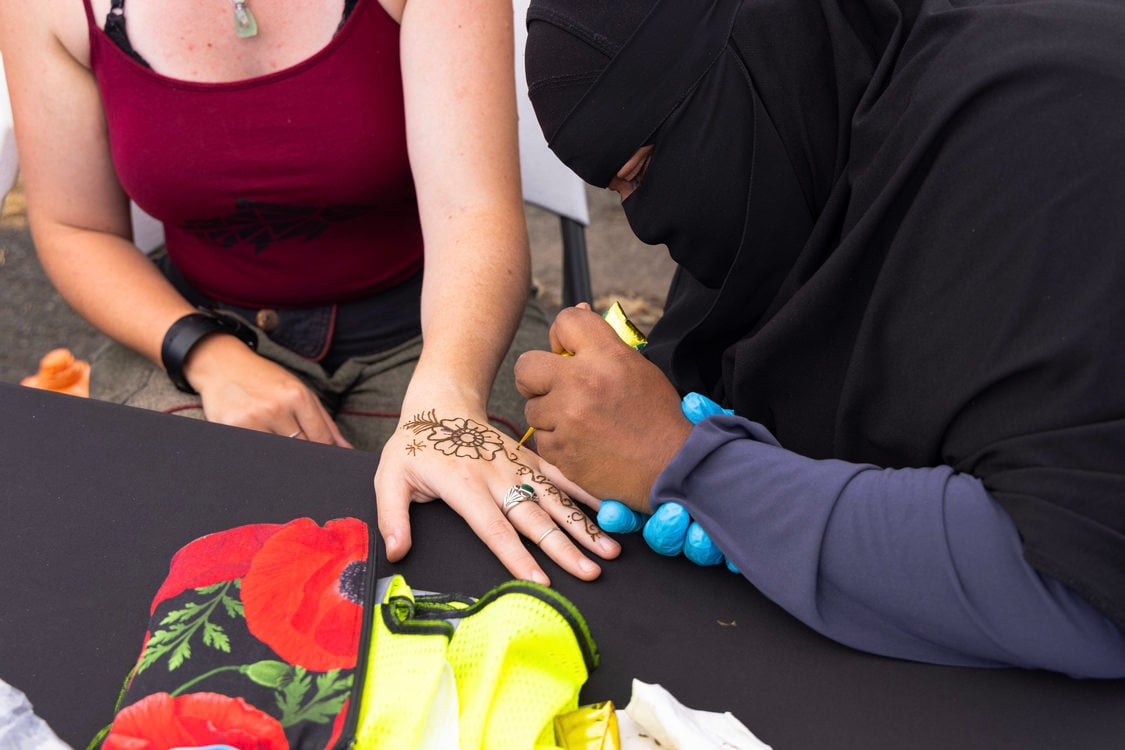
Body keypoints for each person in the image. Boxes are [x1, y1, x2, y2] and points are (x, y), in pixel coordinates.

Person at [514, 0, 1125, 677]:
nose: (646, 224)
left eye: (643, 168)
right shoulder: (812, 105)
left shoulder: (1045, 122)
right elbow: (723, 363)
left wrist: (691, 467)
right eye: (616, 187)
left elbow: (1077, 580)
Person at [0, 0, 618, 584]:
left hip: (438, 332)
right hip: (191, 326)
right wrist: (210, 356)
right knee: (172, 560)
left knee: (457, 561)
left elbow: (474, 212)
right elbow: (76, 228)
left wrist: (445, 404)